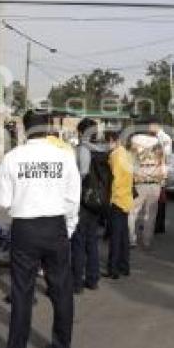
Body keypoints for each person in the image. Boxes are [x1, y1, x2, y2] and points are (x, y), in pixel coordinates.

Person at [0, 110, 80, 348]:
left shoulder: (13, 158)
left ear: (24, 129)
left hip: (25, 228)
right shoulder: (64, 157)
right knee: (62, 289)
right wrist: (68, 229)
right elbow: (73, 200)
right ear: (50, 129)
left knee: (22, 291)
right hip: (55, 228)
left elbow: (1, 199)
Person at [71, 118, 102, 294]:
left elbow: (82, 173)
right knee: (92, 241)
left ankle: (76, 282)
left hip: (83, 201)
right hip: (96, 201)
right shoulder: (101, 150)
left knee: (78, 243)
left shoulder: (83, 149)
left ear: (81, 132)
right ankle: (92, 279)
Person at [129, 121, 167, 250]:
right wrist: (163, 182)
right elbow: (162, 164)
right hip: (155, 182)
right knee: (150, 214)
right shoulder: (158, 143)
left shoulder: (134, 141)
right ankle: (147, 240)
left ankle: (131, 239)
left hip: (139, 181)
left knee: (133, 212)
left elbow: (130, 162)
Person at [105, 129, 134, 279]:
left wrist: (109, 199)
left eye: (107, 142)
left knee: (115, 237)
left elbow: (114, 179)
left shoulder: (115, 155)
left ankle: (113, 269)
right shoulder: (127, 154)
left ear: (112, 140)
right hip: (127, 198)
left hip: (116, 199)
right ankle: (125, 266)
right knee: (123, 235)